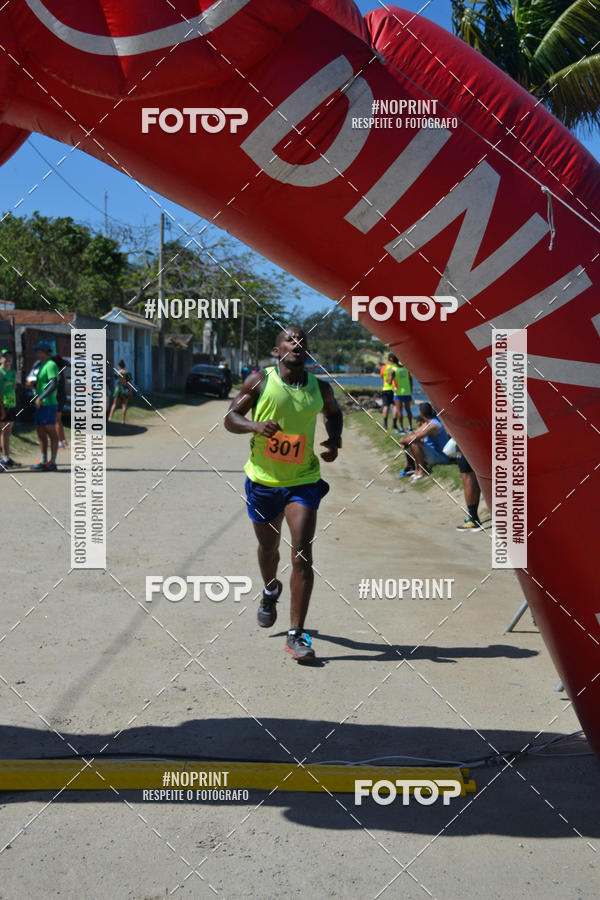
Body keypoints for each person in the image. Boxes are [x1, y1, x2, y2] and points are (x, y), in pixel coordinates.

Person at [224, 325, 343, 661]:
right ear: (277, 351)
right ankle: (270, 589)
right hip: (263, 480)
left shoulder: (320, 388)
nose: (297, 343)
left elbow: (334, 413)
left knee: (302, 552)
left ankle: (296, 634)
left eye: (302, 340)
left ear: (308, 351)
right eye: (290, 339)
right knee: (268, 547)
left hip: (303, 479)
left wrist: (334, 440)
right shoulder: (260, 381)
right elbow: (231, 417)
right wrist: (254, 426)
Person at [398, 402, 453, 482]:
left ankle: (422, 471)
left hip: (442, 457)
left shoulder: (433, 425)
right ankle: (417, 470)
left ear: (421, 414)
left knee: (414, 443)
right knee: (411, 443)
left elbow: (414, 438)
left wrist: (402, 441)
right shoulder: (428, 423)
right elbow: (414, 433)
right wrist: (405, 441)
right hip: (433, 454)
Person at [29, 341, 59, 471]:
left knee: (51, 432)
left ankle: (52, 462)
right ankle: (43, 460)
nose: (36, 352)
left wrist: (41, 397)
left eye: (38, 350)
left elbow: (53, 384)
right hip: (40, 404)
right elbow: (42, 383)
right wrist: (33, 386)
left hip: (48, 404)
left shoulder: (51, 365)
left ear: (44, 352)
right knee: (40, 432)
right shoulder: (41, 365)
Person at [0, 350, 20, 468]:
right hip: (2, 405)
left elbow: (14, 386)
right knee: (2, 430)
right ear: (0, 360)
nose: (8, 358)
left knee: (8, 431)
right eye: (5, 356)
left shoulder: (13, 372)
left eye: (9, 356)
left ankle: (6, 458)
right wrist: (2, 408)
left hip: (11, 404)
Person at [455, 448, 483, 531]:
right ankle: (472, 517)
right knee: (473, 475)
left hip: (464, 445)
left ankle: (473, 519)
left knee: (467, 476)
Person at [391, 358, 413, 434]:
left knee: (399, 411)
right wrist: (410, 390)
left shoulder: (393, 370)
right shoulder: (406, 368)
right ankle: (410, 427)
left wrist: (390, 378)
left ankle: (401, 429)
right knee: (408, 410)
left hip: (398, 393)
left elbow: (389, 382)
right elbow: (410, 380)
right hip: (407, 392)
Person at [53, 354, 68, 449]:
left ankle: (59, 442)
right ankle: (63, 440)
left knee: (56, 420)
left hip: (57, 397)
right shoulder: (62, 371)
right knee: (59, 419)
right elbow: (66, 383)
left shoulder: (54, 371)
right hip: (62, 396)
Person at [379, 354, 396, 430]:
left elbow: (382, 376)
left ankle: (385, 424)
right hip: (395, 389)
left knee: (386, 406)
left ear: (388, 359)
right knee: (395, 406)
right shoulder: (395, 367)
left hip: (385, 388)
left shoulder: (383, 367)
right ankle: (394, 424)